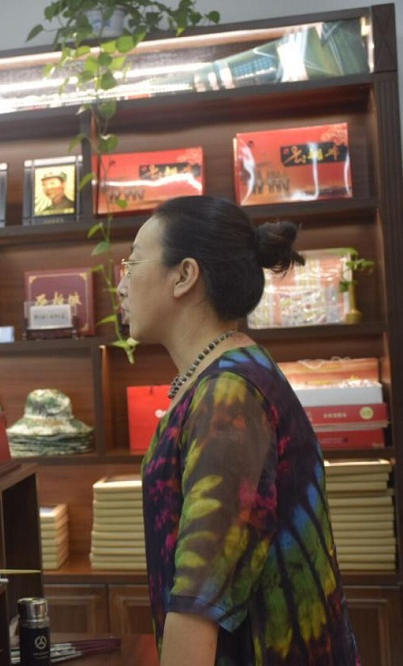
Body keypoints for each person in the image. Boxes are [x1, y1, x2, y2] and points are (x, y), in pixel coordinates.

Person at [117, 195, 358, 664]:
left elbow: (199, 600)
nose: (121, 285)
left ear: (185, 276)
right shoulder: (223, 376)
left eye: (133, 263)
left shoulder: (230, 395)